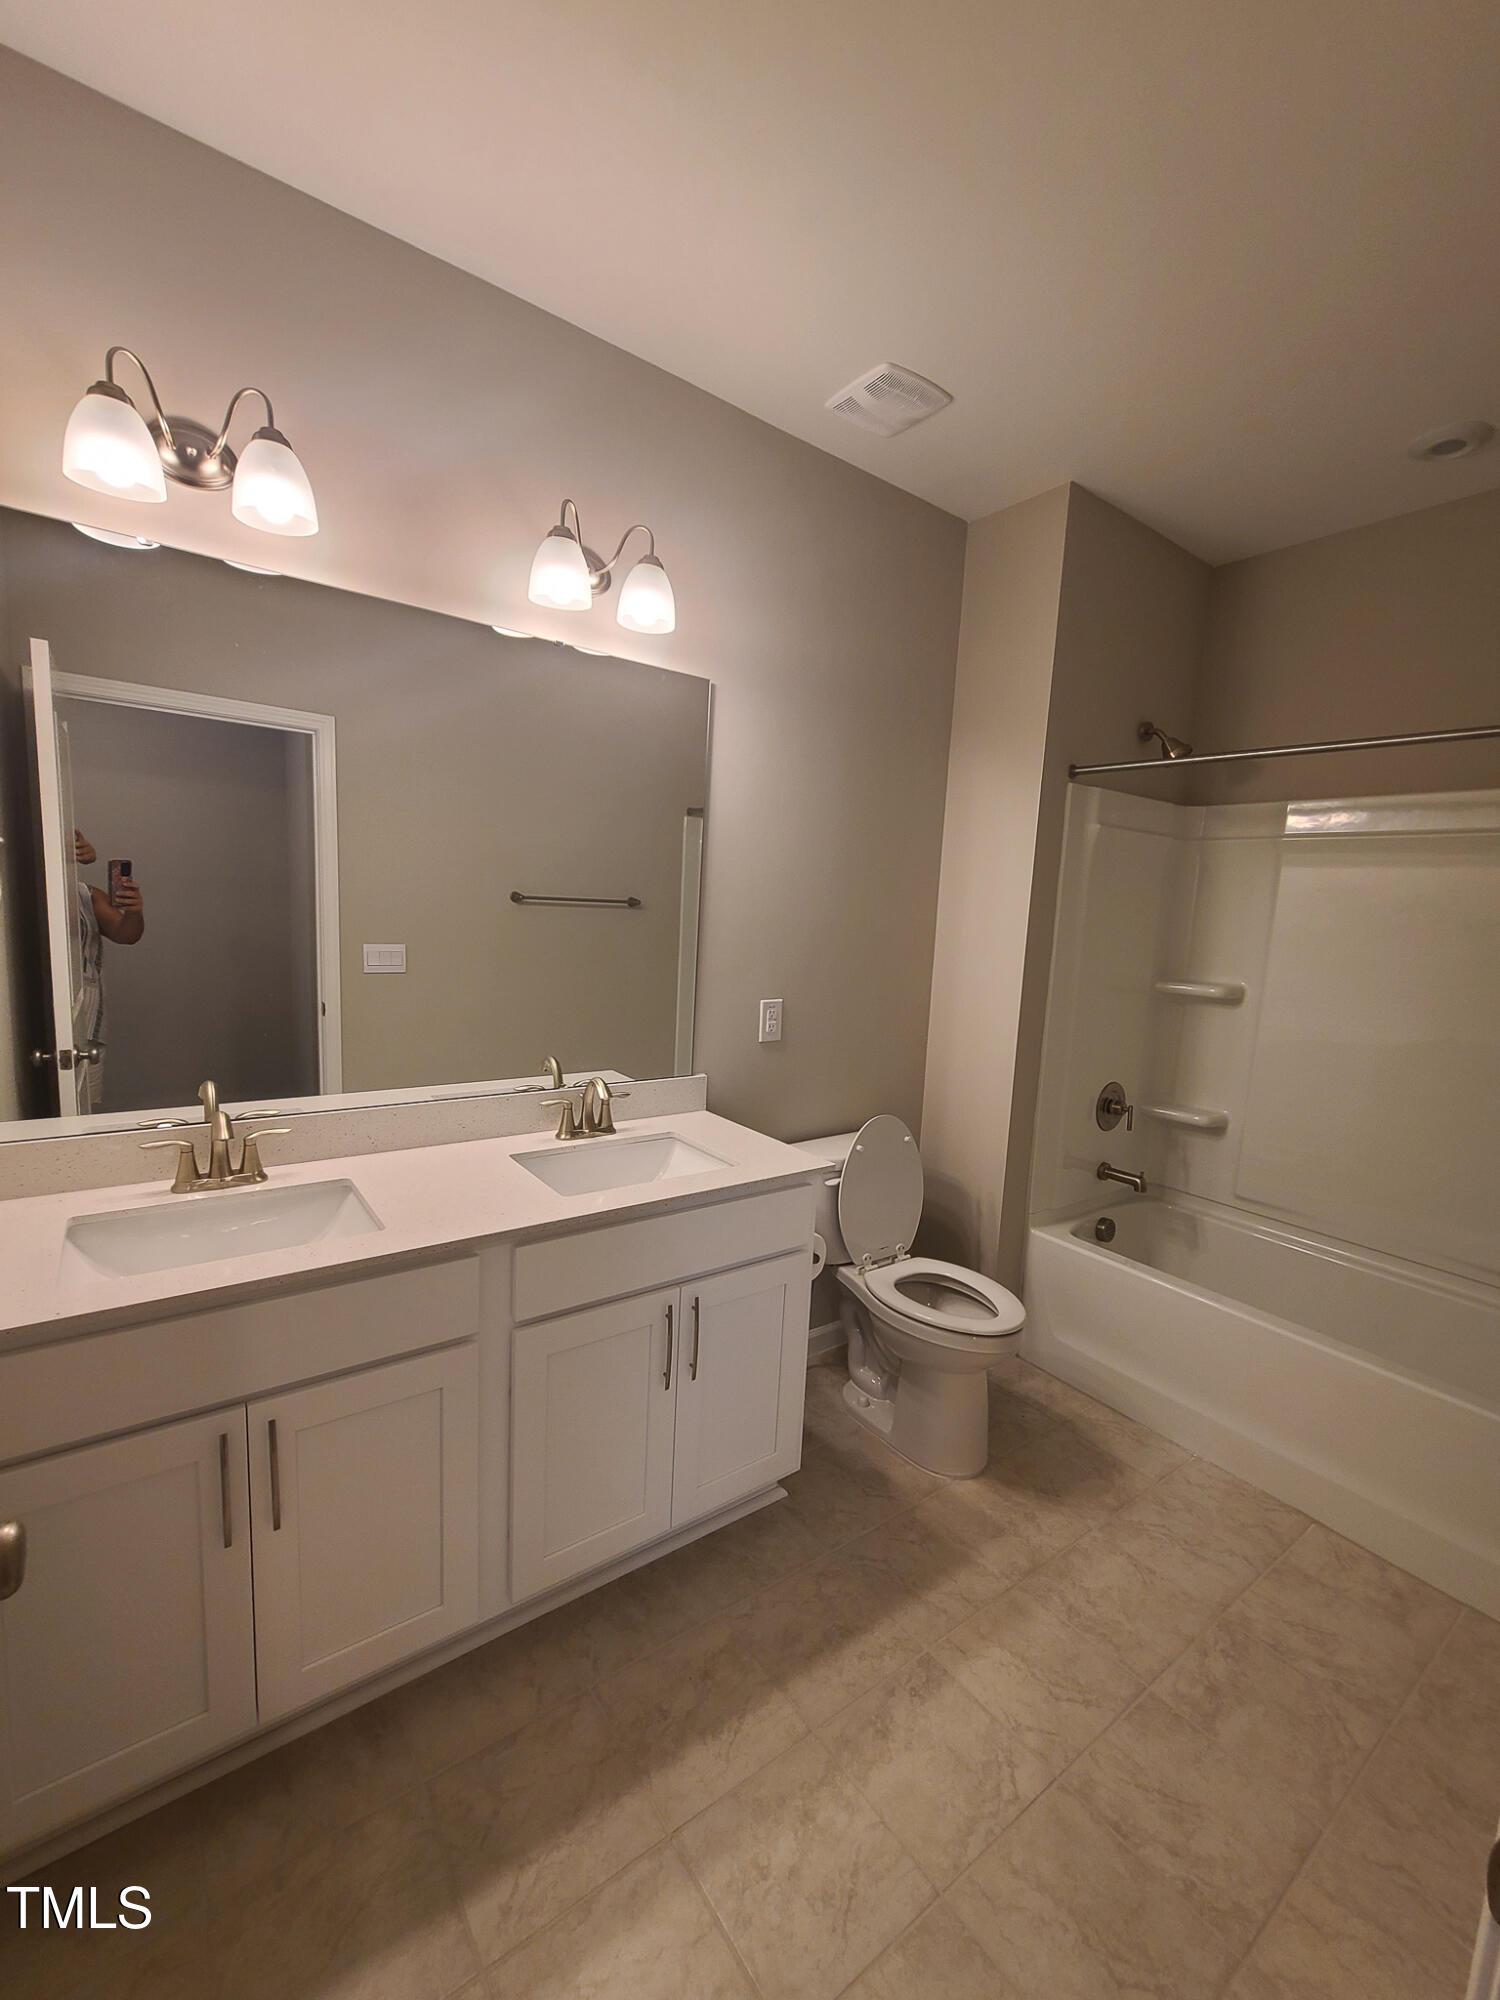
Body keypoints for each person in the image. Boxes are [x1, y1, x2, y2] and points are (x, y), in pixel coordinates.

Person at [71, 829, 144, 1110]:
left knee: (86, 1103)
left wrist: (135, 911)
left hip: (87, 1026)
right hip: (53, 1027)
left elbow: (127, 934)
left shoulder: (87, 896)